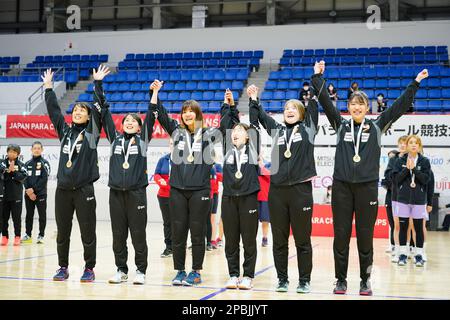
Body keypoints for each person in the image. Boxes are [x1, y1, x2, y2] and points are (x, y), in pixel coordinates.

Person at [311, 60, 428, 296]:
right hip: (342, 188)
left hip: (366, 190)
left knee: (365, 237)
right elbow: (325, 101)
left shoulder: (377, 126)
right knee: (341, 237)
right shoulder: (340, 125)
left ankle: (365, 280)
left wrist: (415, 83)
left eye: (361, 104)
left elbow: (398, 107)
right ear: (348, 107)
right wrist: (317, 77)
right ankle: (340, 280)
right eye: (353, 104)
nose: (356, 107)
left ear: (367, 108)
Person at [250, 78, 319, 294]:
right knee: (279, 240)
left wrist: (316, 81)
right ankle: (282, 279)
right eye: (286, 108)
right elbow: (261, 116)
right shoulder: (277, 130)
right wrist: (254, 99)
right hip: (277, 192)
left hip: (300, 191)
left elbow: (314, 106)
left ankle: (304, 280)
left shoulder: (308, 129)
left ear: (302, 113)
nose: (289, 110)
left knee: (302, 240)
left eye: (294, 108)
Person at [154, 80, 222, 287]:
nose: (187, 114)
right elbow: (162, 115)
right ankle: (180, 271)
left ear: (198, 114)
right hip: (177, 190)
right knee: (178, 231)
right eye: (184, 111)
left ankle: (196, 271)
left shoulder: (209, 135)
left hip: (200, 190)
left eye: (191, 111)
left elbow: (226, 126)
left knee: (198, 231)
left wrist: (229, 105)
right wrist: (155, 93)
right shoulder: (177, 132)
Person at [42, 68, 102, 282]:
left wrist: (97, 84)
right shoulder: (65, 132)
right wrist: (48, 88)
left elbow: (99, 110)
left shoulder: (92, 134)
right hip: (63, 190)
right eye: (75, 109)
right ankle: (62, 267)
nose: (77, 112)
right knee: (63, 232)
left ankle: (89, 268)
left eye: (81, 110)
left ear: (87, 117)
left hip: (84, 189)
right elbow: (54, 112)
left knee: (88, 232)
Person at [96, 68, 156, 285]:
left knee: (138, 234)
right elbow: (104, 113)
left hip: (137, 194)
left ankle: (141, 271)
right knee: (118, 235)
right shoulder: (114, 139)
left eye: (134, 121)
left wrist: (153, 95)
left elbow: (151, 115)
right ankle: (121, 270)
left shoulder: (142, 140)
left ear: (140, 127)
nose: (129, 122)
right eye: (127, 120)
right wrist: (98, 85)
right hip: (116, 195)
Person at [220, 88, 260, 290]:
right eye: (234, 132)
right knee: (231, 240)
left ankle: (248, 276)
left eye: (240, 132)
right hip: (228, 199)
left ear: (248, 137)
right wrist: (229, 105)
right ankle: (233, 274)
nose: (235, 133)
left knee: (249, 240)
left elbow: (253, 125)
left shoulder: (253, 150)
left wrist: (253, 100)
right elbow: (226, 124)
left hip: (248, 199)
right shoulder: (227, 149)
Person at [393, 135, 430, 267]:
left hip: (419, 200)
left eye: (416, 143)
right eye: (411, 143)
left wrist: (414, 169)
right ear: (407, 146)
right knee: (403, 227)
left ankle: (418, 255)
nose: (414, 145)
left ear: (419, 146)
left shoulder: (424, 161)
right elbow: (396, 180)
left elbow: (426, 180)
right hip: (403, 200)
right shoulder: (399, 160)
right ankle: (402, 254)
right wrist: (406, 169)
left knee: (418, 227)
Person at [381, 135, 407, 262]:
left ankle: (408, 248)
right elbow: (387, 178)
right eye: (401, 143)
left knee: (406, 225)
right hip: (392, 197)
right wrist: (394, 187)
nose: (403, 145)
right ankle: (394, 247)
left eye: (405, 143)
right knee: (393, 224)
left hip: (408, 198)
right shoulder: (393, 159)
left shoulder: (413, 159)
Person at [22, 141, 51, 244]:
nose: (37, 150)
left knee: (42, 215)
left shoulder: (45, 163)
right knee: (29, 215)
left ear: (42, 150)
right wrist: (29, 191)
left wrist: (33, 190)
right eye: (35, 148)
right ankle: (28, 235)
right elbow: (24, 178)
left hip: (41, 194)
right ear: (31, 149)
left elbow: (44, 179)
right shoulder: (27, 164)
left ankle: (41, 235)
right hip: (28, 195)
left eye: (39, 148)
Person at [1, 144, 28, 246]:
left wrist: (13, 172)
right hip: (4, 196)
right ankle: (4, 236)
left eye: (14, 152)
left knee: (16, 218)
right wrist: (7, 171)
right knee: (4, 218)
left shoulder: (21, 165)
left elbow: (23, 177)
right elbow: (2, 172)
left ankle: (17, 236)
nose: (12, 153)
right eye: (10, 151)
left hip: (16, 196)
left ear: (18, 154)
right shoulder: (2, 163)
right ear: (7, 152)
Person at [154, 139, 174, 258]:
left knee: (179, 222)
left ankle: (178, 246)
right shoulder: (163, 160)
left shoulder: (184, 161)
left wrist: (166, 183)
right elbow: (156, 174)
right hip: (163, 196)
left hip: (178, 196)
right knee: (167, 222)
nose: (173, 146)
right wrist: (161, 181)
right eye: (171, 144)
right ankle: (169, 247)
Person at [258, 160, 271, 247]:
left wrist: (261, 165)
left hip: (265, 197)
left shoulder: (269, 164)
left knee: (265, 220)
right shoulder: (252, 166)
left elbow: (270, 175)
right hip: (254, 197)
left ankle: (265, 238)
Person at [209, 163, 222, 249]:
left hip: (214, 194)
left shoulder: (217, 166)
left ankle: (213, 240)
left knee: (212, 218)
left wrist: (213, 173)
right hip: (205, 194)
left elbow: (221, 178)